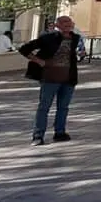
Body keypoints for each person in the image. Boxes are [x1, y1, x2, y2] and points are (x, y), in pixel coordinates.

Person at [18, 15, 82, 146]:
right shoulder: (48, 38)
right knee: (44, 107)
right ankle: (38, 135)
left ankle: (60, 132)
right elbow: (24, 49)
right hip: (50, 78)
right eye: (63, 22)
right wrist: (38, 61)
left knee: (63, 107)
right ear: (57, 25)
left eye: (69, 22)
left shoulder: (76, 38)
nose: (67, 24)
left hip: (68, 78)